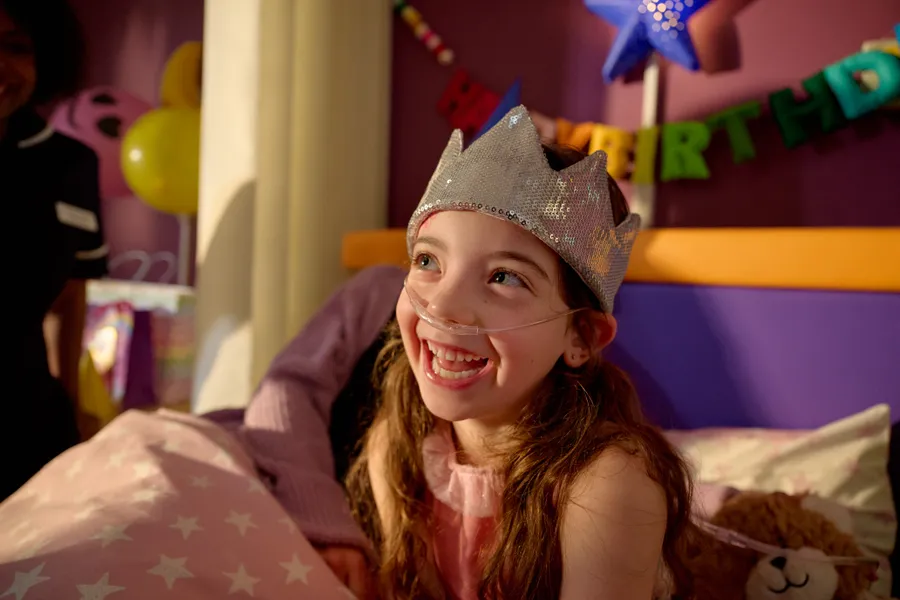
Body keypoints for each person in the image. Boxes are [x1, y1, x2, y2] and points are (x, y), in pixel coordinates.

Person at [343, 106, 699, 599]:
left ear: (581, 337)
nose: (443, 307)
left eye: (504, 277)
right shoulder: (397, 446)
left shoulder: (609, 485)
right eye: (428, 260)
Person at [1, 0, 108, 500]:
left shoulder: (70, 164)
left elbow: (68, 294)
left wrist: (73, 400)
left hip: (31, 422)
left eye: (17, 47)